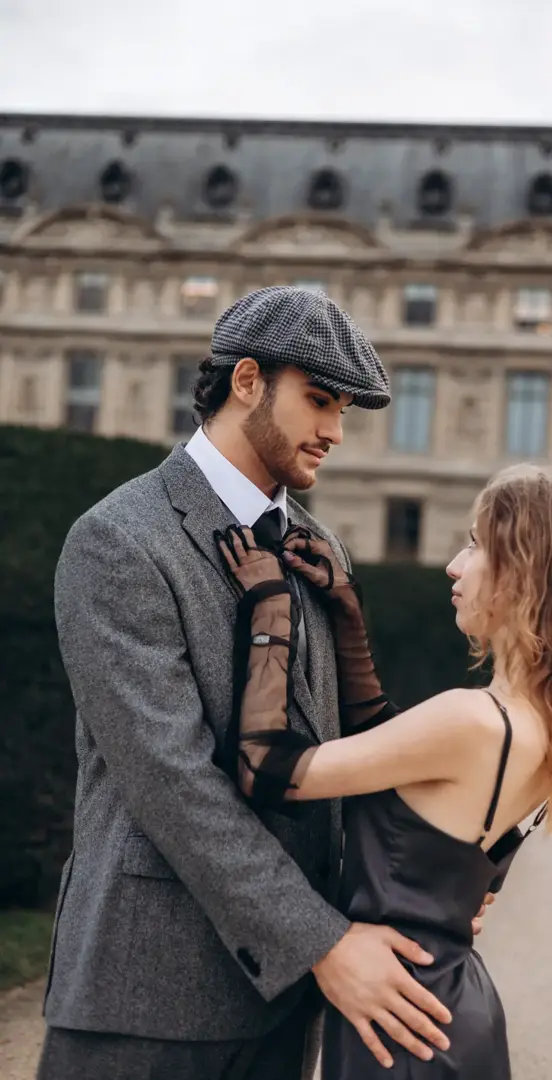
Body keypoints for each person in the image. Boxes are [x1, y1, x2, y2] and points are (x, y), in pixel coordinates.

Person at [38, 286, 470, 1080]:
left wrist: (444, 873)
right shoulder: (118, 540)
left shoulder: (316, 545)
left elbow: (348, 758)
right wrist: (323, 941)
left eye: (344, 409)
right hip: (146, 997)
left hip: (285, 1006)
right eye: (319, 401)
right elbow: (170, 781)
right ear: (246, 381)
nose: (336, 432)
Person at [217, 464, 552, 1078]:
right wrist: (346, 616)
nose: (454, 565)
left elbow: (263, 767)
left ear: (525, 575)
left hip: (399, 1022)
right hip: (447, 1006)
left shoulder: (470, 722)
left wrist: (270, 614)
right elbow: (396, 760)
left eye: (475, 545)